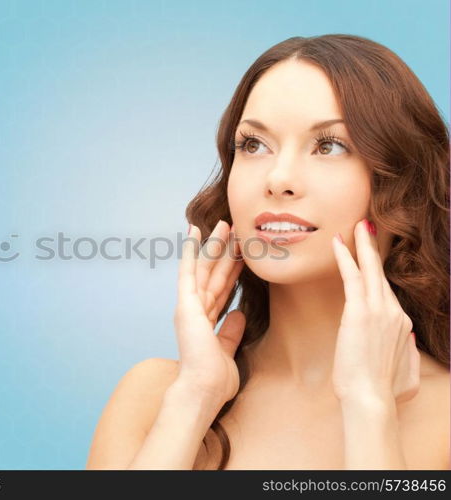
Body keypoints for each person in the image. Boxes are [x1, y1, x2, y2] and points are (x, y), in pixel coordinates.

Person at [85, 34, 450, 470]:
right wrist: (195, 399)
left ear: (404, 188)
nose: (278, 178)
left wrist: (369, 410)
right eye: (253, 144)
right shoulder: (155, 396)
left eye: (329, 145)